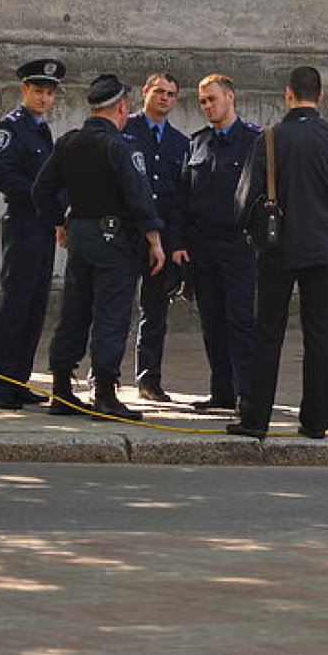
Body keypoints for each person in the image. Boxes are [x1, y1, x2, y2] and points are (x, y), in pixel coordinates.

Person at [228, 66, 328, 440]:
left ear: (288, 94)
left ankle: (257, 419)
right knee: (319, 334)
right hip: (322, 249)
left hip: (277, 249)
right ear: (320, 97)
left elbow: (242, 200)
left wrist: (247, 232)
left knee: (268, 333)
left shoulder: (270, 139)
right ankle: (316, 421)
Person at [32, 74, 165, 421]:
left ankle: (61, 389)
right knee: (111, 314)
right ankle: (105, 394)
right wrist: (154, 240)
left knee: (74, 311)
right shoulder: (120, 147)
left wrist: (59, 222)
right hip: (114, 239)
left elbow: (41, 189)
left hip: (79, 235)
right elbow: (138, 199)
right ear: (122, 108)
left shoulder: (68, 143)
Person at [0, 59, 65, 410]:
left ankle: (18, 381)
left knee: (34, 306)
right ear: (24, 91)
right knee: (16, 304)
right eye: (38, 91)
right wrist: (41, 197)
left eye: (49, 93)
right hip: (22, 224)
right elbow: (0, 175)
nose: (44, 98)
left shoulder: (42, 130)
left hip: (43, 226)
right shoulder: (10, 128)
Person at [181, 73, 262, 412]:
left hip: (239, 245)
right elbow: (183, 197)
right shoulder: (197, 143)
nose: (208, 107)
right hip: (203, 246)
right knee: (212, 322)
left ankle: (247, 394)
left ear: (231, 97)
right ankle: (222, 390)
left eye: (212, 99)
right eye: (202, 102)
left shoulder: (254, 141)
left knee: (240, 321)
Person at [122, 72, 190, 402]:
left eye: (171, 94)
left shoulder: (180, 143)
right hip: (125, 233)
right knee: (114, 308)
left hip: (160, 238)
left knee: (155, 313)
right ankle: (101, 378)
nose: (165, 98)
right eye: (159, 92)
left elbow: (179, 200)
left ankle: (149, 379)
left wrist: (174, 244)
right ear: (145, 93)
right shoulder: (125, 130)